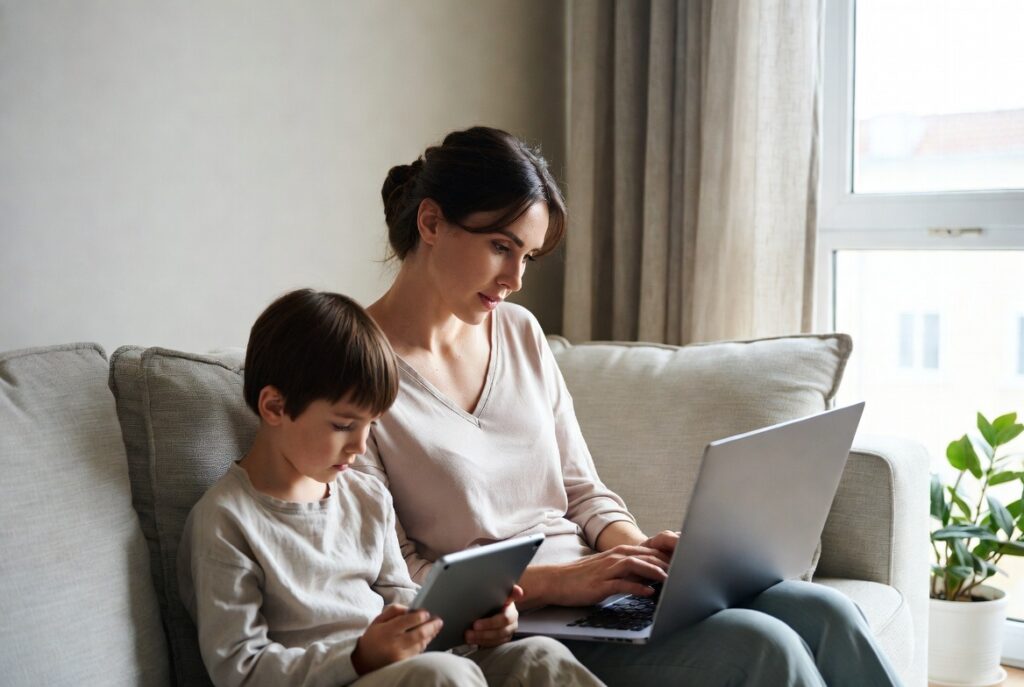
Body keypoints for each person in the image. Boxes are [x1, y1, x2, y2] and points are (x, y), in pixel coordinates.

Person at [354, 126, 904, 686]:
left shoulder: (518, 332)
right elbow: (400, 577)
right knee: (762, 646)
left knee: (828, 614)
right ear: (431, 223)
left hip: (601, 594)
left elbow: (583, 491)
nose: (516, 279)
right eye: (502, 247)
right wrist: (564, 581)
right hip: (523, 626)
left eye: (528, 256)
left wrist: (640, 556)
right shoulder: (353, 372)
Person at [177, 288, 603, 687]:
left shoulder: (367, 498)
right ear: (275, 406)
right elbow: (240, 670)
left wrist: (477, 627)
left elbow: (409, 607)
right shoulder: (226, 522)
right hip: (342, 677)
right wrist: (359, 656)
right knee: (442, 676)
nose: (360, 445)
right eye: (344, 425)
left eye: (371, 425)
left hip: (408, 670)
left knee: (538, 657)